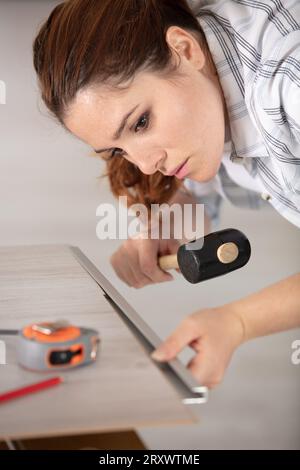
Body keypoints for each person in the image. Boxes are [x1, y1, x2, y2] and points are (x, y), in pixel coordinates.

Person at [33, 0, 300, 388]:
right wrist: (170, 220)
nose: (144, 164)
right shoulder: (207, 65)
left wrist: (239, 321)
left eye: (141, 122)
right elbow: (204, 175)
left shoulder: (290, 81)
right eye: (119, 150)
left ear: (185, 50)